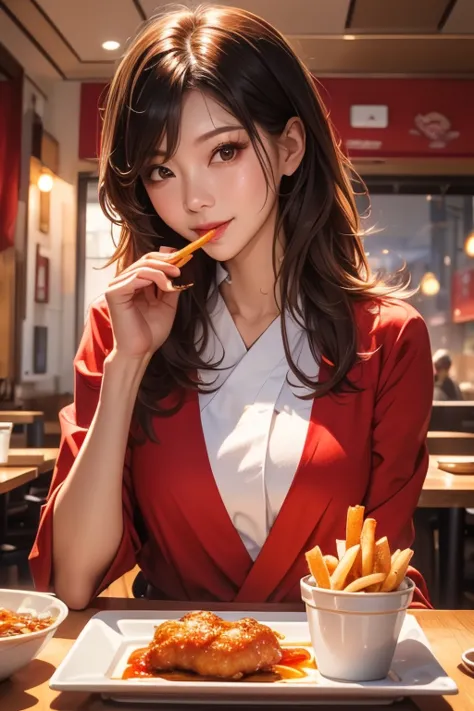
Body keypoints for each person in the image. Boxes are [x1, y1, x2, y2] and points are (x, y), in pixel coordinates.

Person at [29, 5, 433, 610]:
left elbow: (381, 574)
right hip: (165, 675)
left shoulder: (390, 340)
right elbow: (74, 582)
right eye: (162, 169)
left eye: (223, 152)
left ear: (290, 145)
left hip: (331, 679)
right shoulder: (122, 328)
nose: (194, 197)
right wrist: (125, 369)